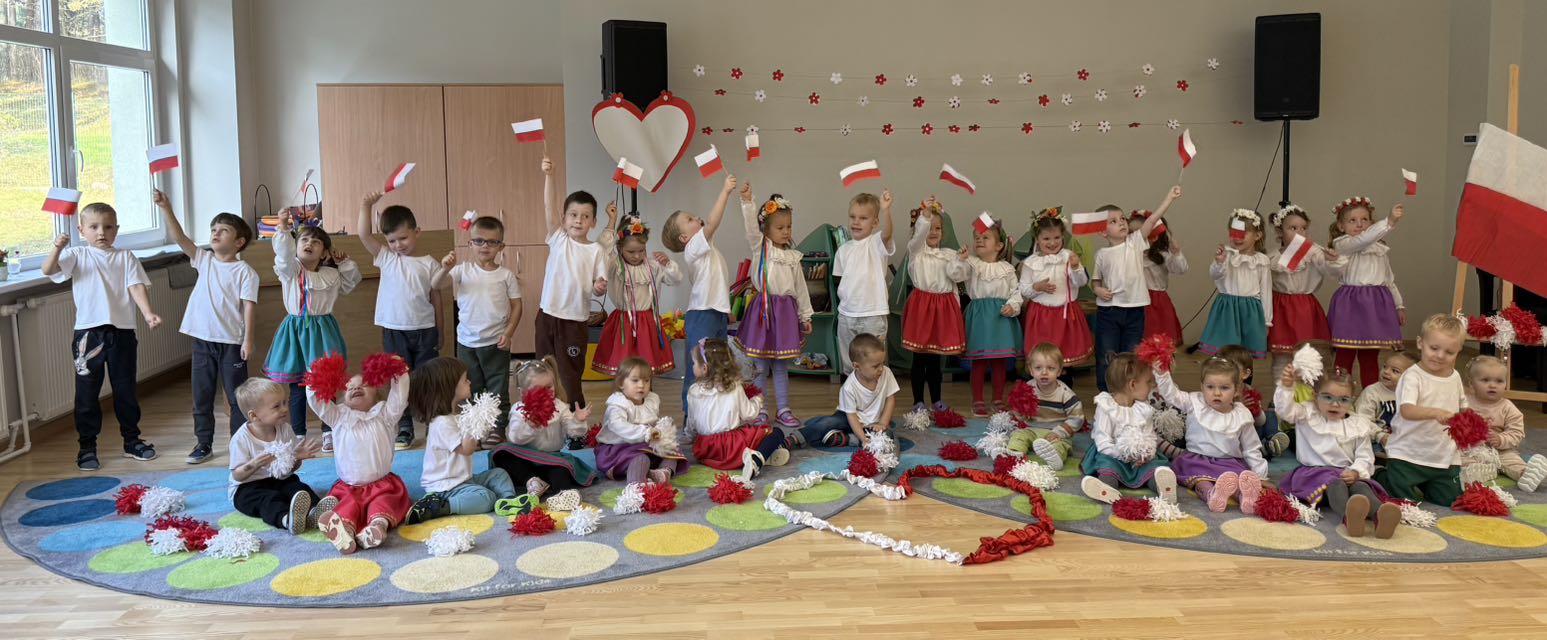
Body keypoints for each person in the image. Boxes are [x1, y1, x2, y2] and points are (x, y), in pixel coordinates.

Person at [42, 202, 163, 471]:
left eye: (108, 227)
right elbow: (48, 270)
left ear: (116, 230)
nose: (101, 233)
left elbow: (136, 286)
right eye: (94, 227)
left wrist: (148, 313)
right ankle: (87, 447)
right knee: (87, 393)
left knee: (125, 390)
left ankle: (132, 441)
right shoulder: (76, 255)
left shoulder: (125, 257)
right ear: (81, 230)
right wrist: (57, 247)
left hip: (122, 333)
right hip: (88, 335)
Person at [154, 190, 259, 464]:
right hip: (202, 342)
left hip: (232, 343)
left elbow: (249, 306)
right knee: (201, 395)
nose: (215, 233)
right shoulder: (204, 260)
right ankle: (203, 443)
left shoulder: (246, 272)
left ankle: (240, 444)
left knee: (237, 397)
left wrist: (248, 340)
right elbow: (180, 238)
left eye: (223, 230)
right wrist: (166, 207)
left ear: (239, 242)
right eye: (213, 229)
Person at [262, 210, 361, 445]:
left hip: (323, 331)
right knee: (298, 385)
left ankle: (328, 429)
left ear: (324, 252)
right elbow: (283, 256)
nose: (309, 244)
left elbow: (350, 283)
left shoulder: (330, 274)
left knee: (324, 382)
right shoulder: (291, 270)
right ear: (296, 246)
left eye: (316, 242)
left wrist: (344, 263)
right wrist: (283, 228)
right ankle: (299, 433)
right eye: (304, 240)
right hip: (295, 331)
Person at [358, 192, 442, 449]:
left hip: (425, 330)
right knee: (398, 380)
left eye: (403, 238)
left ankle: (434, 424)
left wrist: (441, 330)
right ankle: (404, 426)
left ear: (417, 232)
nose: (398, 245)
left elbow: (436, 299)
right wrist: (366, 206)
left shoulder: (429, 263)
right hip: (395, 331)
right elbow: (364, 235)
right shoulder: (386, 258)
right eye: (392, 240)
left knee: (427, 380)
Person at [1275, 365, 1400, 538]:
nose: (1335, 404)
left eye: (1343, 399)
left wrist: (1356, 471)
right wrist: (1287, 387)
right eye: (1327, 397)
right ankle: (1349, 516)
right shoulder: (1307, 414)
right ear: (1315, 396)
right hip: (1314, 475)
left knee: (1361, 486)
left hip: (1347, 473)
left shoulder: (1358, 424)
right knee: (1337, 485)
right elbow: (1284, 410)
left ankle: (1380, 515)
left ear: (1352, 400)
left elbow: (1365, 455)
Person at [308, 357, 413, 554]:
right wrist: (317, 376)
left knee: (384, 503)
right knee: (346, 506)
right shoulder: (337, 417)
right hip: (348, 487)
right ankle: (344, 533)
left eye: (364, 384)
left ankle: (377, 528)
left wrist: (398, 371)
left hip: (382, 485)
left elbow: (399, 396)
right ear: (344, 397)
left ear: (377, 392)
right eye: (349, 387)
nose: (356, 387)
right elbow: (317, 401)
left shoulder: (386, 415)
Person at [431, 215, 521, 429]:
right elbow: (436, 285)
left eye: (492, 242)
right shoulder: (462, 270)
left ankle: (498, 426)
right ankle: (477, 427)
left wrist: (508, 333)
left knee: (498, 387)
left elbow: (517, 306)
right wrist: (445, 268)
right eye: (479, 241)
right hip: (467, 343)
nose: (485, 246)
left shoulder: (506, 275)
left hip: (496, 343)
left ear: (501, 247)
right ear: (470, 243)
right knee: (472, 387)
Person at [1091, 186, 1183, 391]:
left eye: (1122, 219)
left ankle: (1128, 391)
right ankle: (1106, 392)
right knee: (1107, 353)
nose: (1121, 223)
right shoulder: (1102, 254)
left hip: (1135, 311)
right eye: (1113, 221)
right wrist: (1098, 290)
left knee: (1131, 355)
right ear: (1102, 231)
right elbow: (1095, 281)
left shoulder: (1135, 243)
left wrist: (1169, 198)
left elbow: (1152, 220)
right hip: (1109, 312)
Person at [405, 357, 518, 523]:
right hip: (445, 487)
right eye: (465, 380)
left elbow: (471, 440)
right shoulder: (442, 423)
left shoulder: (454, 417)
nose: (469, 382)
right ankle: (441, 506)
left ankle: (508, 501)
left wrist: (480, 424)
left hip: (463, 479)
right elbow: (467, 449)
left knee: (498, 474)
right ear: (449, 388)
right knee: (485, 497)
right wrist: (475, 421)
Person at [536, 155, 608, 410]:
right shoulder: (558, 239)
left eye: (585, 216)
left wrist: (599, 286)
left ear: (593, 222)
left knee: (570, 374)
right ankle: (543, 414)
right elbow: (549, 205)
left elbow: (600, 283)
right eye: (573, 215)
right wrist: (549, 176)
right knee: (543, 370)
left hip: (575, 321)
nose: (578, 220)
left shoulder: (597, 250)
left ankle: (575, 420)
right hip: (547, 315)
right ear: (564, 218)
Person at [738, 185, 813, 427]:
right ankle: (759, 409)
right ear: (766, 229)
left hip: (786, 315)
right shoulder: (761, 248)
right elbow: (751, 228)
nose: (786, 231)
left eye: (788, 226)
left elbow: (800, 289)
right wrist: (748, 202)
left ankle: (783, 409)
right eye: (780, 228)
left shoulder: (793, 257)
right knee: (760, 366)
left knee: (781, 365)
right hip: (763, 312)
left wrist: (805, 316)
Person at [662, 174, 738, 411]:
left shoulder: (708, 249)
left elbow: (715, 284)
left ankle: (715, 413)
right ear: (685, 237)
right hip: (702, 315)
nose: (697, 218)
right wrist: (725, 191)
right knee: (698, 368)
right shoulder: (693, 247)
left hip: (715, 313)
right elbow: (713, 222)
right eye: (690, 219)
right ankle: (690, 417)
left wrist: (726, 311)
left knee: (718, 367)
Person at [1153, 357, 1269, 514]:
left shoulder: (1242, 414)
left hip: (1229, 464)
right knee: (1201, 481)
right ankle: (1212, 495)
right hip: (1197, 460)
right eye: (1210, 387)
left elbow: (1251, 448)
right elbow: (1171, 395)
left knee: (1236, 481)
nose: (1217, 393)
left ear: (1236, 390)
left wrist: (1260, 475)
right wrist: (1162, 374)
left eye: (1224, 388)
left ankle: (1245, 497)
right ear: (1202, 387)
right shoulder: (1194, 403)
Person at [1375, 314, 1465, 506]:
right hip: (1408, 452)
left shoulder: (1455, 376)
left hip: (1443, 453)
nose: (1440, 356)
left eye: (1449, 352)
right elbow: (1407, 410)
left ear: (1459, 351)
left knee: (1450, 501)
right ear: (1420, 343)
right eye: (1434, 348)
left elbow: (1462, 405)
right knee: (1403, 500)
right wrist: (1435, 413)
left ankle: (1428, 483)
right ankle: (1380, 474)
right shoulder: (1412, 376)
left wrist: (1471, 421)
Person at [228, 377, 330, 534]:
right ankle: (287, 519)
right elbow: (237, 475)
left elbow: (290, 468)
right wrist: (254, 464)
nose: (284, 409)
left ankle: (315, 511)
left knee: (297, 487)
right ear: (254, 416)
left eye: (284, 402)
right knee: (268, 500)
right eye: (276, 406)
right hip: (248, 486)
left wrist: (297, 458)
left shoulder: (285, 429)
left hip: (279, 479)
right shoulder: (241, 439)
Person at [490, 356, 597, 499]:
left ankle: (561, 496)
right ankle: (532, 481)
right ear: (523, 392)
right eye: (538, 390)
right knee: (501, 454)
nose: (545, 393)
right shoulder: (519, 410)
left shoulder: (560, 407)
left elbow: (573, 433)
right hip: (524, 458)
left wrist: (577, 420)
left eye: (549, 387)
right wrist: (530, 426)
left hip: (552, 459)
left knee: (562, 473)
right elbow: (514, 438)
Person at [1078, 354, 1178, 505]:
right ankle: (1106, 488)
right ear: (1132, 385)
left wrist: (1146, 454)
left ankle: (1164, 488)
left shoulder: (1144, 409)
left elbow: (1150, 436)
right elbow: (1103, 442)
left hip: (1140, 457)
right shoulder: (1106, 407)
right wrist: (1124, 456)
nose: (1152, 386)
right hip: (1112, 453)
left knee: (1154, 466)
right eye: (1148, 382)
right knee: (1107, 466)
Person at [594, 204, 682, 375]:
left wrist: (668, 264)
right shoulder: (614, 265)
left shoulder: (653, 266)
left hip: (647, 323)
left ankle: (646, 391)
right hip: (623, 323)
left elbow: (676, 280)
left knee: (646, 366)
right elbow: (602, 248)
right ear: (620, 248)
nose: (637, 256)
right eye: (631, 251)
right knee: (623, 367)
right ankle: (623, 392)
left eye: (641, 251)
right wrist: (612, 221)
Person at [1328, 197, 1405, 388]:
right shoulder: (1343, 244)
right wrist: (1389, 222)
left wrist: (1399, 305)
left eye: (1364, 219)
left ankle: (1370, 396)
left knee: (1370, 357)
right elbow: (1362, 240)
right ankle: (1337, 392)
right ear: (1341, 226)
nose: (1359, 224)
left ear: (1371, 223)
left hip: (1375, 306)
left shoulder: (1379, 249)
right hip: (1350, 305)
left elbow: (1389, 280)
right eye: (1352, 220)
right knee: (1344, 354)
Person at [687, 338, 789, 484]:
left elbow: (692, 422)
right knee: (776, 432)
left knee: (748, 432)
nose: (693, 366)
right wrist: (758, 400)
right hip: (732, 448)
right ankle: (757, 459)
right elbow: (749, 414)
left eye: (694, 363)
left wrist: (690, 437)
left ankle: (758, 457)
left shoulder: (693, 391)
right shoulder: (735, 387)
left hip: (705, 450)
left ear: (704, 368)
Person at [899, 198, 966, 412]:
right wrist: (925, 217)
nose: (933, 232)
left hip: (942, 309)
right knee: (919, 358)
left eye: (938, 228)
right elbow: (918, 237)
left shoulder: (949, 255)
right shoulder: (916, 252)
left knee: (936, 359)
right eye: (929, 228)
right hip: (922, 308)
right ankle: (918, 401)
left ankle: (936, 399)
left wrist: (960, 260)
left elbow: (957, 276)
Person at [952, 214, 1022, 416]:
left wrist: (1013, 306)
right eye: (977, 238)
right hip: (980, 317)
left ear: (999, 245)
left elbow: (1016, 292)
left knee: (1000, 361)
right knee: (979, 361)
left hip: (1001, 318)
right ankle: (978, 400)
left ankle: (998, 398)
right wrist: (960, 260)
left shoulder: (1007, 269)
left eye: (985, 237)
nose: (979, 241)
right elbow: (956, 275)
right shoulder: (972, 264)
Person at [1266, 205, 1341, 380]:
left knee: (1306, 355)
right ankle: (1281, 391)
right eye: (1293, 228)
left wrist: (1330, 259)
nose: (1299, 232)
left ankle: (1307, 391)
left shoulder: (1312, 251)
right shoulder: (1272, 257)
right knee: (1281, 356)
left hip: (1304, 309)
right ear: (1279, 231)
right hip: (1280, 308)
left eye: (1303, 228)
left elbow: (1328, 268)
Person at [792, 333, 898, 449]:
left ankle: (847, 439)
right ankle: (796, 438)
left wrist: (882, 423)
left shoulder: (886, 373)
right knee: (828, 423)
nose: (881, 369)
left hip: (873, 423)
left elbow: (890, 399)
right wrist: (863, 439)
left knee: (888, 437)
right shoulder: (848, 387)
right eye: (876, 366)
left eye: (882, 363)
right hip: (849, 418)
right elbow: (851, 415)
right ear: (857, 366)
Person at [594, 357, 690, 485]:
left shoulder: (651, 400)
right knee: (641, 458)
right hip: (618, 449)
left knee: (671, 449)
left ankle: (663, 473)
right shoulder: (617, 405)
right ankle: (637, 484)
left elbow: (652, 421)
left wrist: (662, 430)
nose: (641, 385)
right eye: (635, 380)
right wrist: (646, 432)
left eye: (646, 380)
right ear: (621, 383)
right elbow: (619, 426)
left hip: (643, 445)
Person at [1019, 209, 1093, 368]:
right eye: (1046, 238)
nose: (1052, 243)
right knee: (1043, 357)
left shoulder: (1068, 257)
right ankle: (1041, 381)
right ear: (1037, 239)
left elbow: (1081, 282)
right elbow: (1024, 289)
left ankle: (1066, 382)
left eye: (1057, 237)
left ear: (1063, 237)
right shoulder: (1030, 263)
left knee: (1065, 356)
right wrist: (1037, 287)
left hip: (1066, 314)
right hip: (1041, 316)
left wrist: (1075, 267)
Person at [834, 190, 895, 376]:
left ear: (875, 222)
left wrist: (886, 210)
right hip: (847, 315)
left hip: (872, 315)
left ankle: (876, 393)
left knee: (874, 363)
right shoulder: (843, 250)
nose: (856, 222)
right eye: (852, 217)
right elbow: (840, 281)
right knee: (849, 362)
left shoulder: (876, 244)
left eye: (863, 218)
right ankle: (851, 392)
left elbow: (887, 234)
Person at [1198, 209, 1273, 359]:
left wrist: (1266, 321)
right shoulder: (1226, 256)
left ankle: (1244, 374)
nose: (1237, 238)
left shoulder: (1262, 260)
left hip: (1250, 311)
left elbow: (1266, 291)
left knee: (1245, 355)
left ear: (1257, 235)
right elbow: (1215, 274)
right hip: (1227, 310)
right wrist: (1220, 262)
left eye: (1243, 233)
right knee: (1224, 353)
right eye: (1233, 233)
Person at [1465, 355, 1547, 490]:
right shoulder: (1464, 403)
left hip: (1501, 450)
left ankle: (1526, 474)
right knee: (1459, 459)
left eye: (1499, 381)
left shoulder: (1507, 407)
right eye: (1485, 380)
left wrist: (1500, 439)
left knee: (1512, 461)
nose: (1493, 385)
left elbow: (1517, 433)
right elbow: (1454, 425)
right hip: (1471, 449)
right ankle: (1475, 472)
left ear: (1505, 384)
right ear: (1471, 384)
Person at [1007, 343, 1085, 471]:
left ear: (1059, 371)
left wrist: (1058, 432)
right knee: (1018, 434)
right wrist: (1020, 414)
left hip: (1056, 433)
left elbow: (1077, 418)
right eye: (1038, 368)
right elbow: (1024, 413)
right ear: (1031, 370)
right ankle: (1014, 453)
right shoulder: (1028, 388)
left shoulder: (1066, 394)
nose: (1044, 372)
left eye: (1051, 368)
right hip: (1032, 429)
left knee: (1062, 445)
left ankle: (1055, 457)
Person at [1133, 209, 1187, 347]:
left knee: (1157, 340)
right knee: (1136, 341)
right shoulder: (1129, 255)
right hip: (1135, 300)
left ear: (1153, 236)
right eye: (1131, 233)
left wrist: (1176, 253)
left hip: (1157, 303)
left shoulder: (1162, 255)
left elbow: (1181, 269)